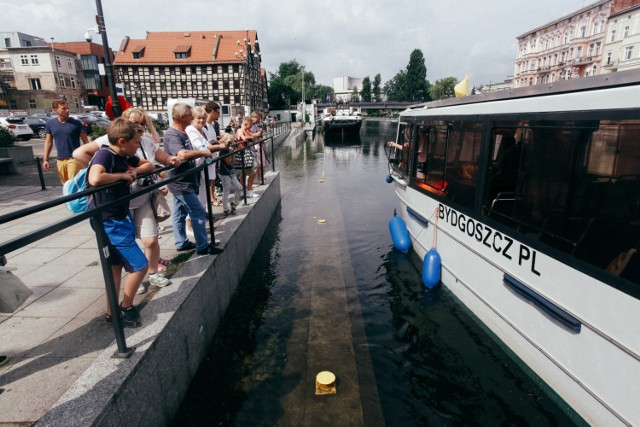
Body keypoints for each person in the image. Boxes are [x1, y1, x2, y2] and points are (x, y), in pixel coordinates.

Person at [73, 108, 181, 294]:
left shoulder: (140, 142)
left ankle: (149, 275)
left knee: (150, 239)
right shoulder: (109, 146)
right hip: (120, 202)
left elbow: (152, 161)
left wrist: (136, 171)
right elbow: (85, 162)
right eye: (136, 123)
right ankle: (130, 288)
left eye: (142, 123)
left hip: (141, 195)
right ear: (126, 124)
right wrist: (114, 176)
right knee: (126, 250)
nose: (139, 127)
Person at [87, 118, 154, 327]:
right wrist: (122, 176)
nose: (138, 147)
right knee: (140, 265)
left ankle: (111, 312)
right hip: (110, 220)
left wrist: (134, 171)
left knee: (115, 267)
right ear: (123, 140)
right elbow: (95, 179)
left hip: (117, 217)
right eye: (136, 142)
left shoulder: (124, 154)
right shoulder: (105, 154)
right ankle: (126, 307)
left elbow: (148, 164)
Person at [163, 103, 224, 256]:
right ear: (183, 117)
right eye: (190, 116)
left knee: (179, 212)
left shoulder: (182, 132)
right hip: (180, 181)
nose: (192, 118)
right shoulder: (173, 134)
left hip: (186, 178)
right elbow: (182, 154)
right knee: (197, 211)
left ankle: (181, 242)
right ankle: (203, 246)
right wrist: (203, 152)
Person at [43, 100, 90, 184]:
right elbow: (48, 142)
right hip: (60, 160)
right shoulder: (50, 124)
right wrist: (46, 159)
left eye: (67, 108)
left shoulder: (76, 123)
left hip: (74, 159)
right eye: (63, 109)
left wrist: (92, 156)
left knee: (73, 184)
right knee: (65, 185)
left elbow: (86, 141)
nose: (67, 110)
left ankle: (75, 197)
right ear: (55, 110)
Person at [235, 116, 258, 198]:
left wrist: (256, 135)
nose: (251, 126)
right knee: (252, 174)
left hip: (246, 155)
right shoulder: (240, 130)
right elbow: (244, 138)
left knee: (243, 174)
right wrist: (253, 137)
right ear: (245, 124)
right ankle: (249, 191)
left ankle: (242, 191)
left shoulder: (247, 131)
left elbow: (252, 135)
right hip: (244, 155)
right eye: (250, 124)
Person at [218, 143, 243, 216]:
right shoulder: (223, 151)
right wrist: (230, 153)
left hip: (231, 172)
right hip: (224, 173)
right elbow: (228, 162)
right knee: (226, 190)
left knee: (239, 188)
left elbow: (233, 161)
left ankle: (234, 203)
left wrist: (232, 153)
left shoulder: (229, 150)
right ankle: (226, 209)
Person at [250, 111, 267, 183]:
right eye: (258, 118)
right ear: (253, 117)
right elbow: (250, 135)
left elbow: (258, 135)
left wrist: (260, 137)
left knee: (260, 163)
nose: (259, 120)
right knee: (256, 164)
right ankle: (256, 180)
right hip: (253, 146)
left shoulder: (256, 125)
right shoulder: (249, 125)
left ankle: (259, 177)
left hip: (257, 145)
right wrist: (257, 134)